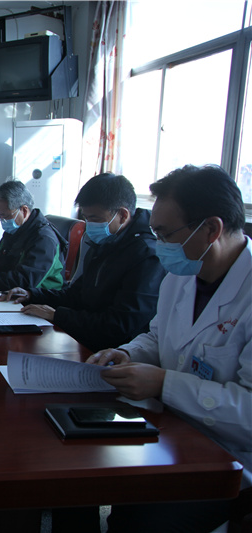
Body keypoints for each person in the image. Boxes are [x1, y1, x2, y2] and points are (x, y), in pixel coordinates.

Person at [88, 165, 251, 532]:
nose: (159, 244)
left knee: (143, 520)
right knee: (89, 470)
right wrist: (128, 353)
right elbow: (158, 337)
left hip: (228, 458)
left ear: (211, 229)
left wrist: (163, 384)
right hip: (171, 431)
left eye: (164, 234)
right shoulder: (182, 275)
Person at [0, 173, 166, 352]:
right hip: (82, 337)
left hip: (113, 352)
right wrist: (32, 295)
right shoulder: (105, 241)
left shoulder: (147, 256)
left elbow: (119, 325)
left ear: (123, 215)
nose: (88, 225)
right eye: (86, 218)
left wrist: (57, 316)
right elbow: (77, 295)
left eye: (95, 219)